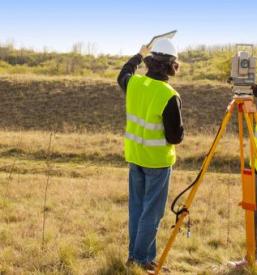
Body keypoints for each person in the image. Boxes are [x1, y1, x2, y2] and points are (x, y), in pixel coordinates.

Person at [117, 39, 184, 273]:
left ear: (150, 61)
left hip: (135, 157)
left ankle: (140, 257)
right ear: (171, 66)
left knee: (137, 209)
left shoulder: (134, 83)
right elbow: (175, 137)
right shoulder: (168, 94)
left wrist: (138, 54)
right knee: (151, 214)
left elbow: (123, 74)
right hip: (157, 162)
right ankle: (139, 260)